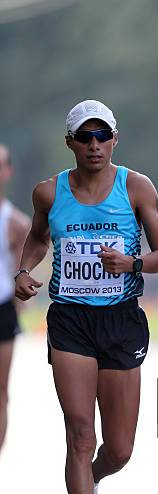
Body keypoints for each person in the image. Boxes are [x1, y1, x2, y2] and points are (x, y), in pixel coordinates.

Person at [15, 100, 158, 494]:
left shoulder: (136, 187)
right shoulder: (49, 192)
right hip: (70, 322)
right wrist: (24, 270)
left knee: (119, 448)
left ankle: (94, 478)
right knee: (80, 432)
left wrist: (132, 264)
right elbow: (39, 238)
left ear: (115, 140)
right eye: (85, 137)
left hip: (121, 321)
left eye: (103, 135)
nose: (94, 144)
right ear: (71, 143)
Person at [0, 144, 30, 454]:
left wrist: (18, 308)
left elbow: (22, 272)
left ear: (7, 172)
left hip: (2, 310)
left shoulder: (16, 223)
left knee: (1, 393)